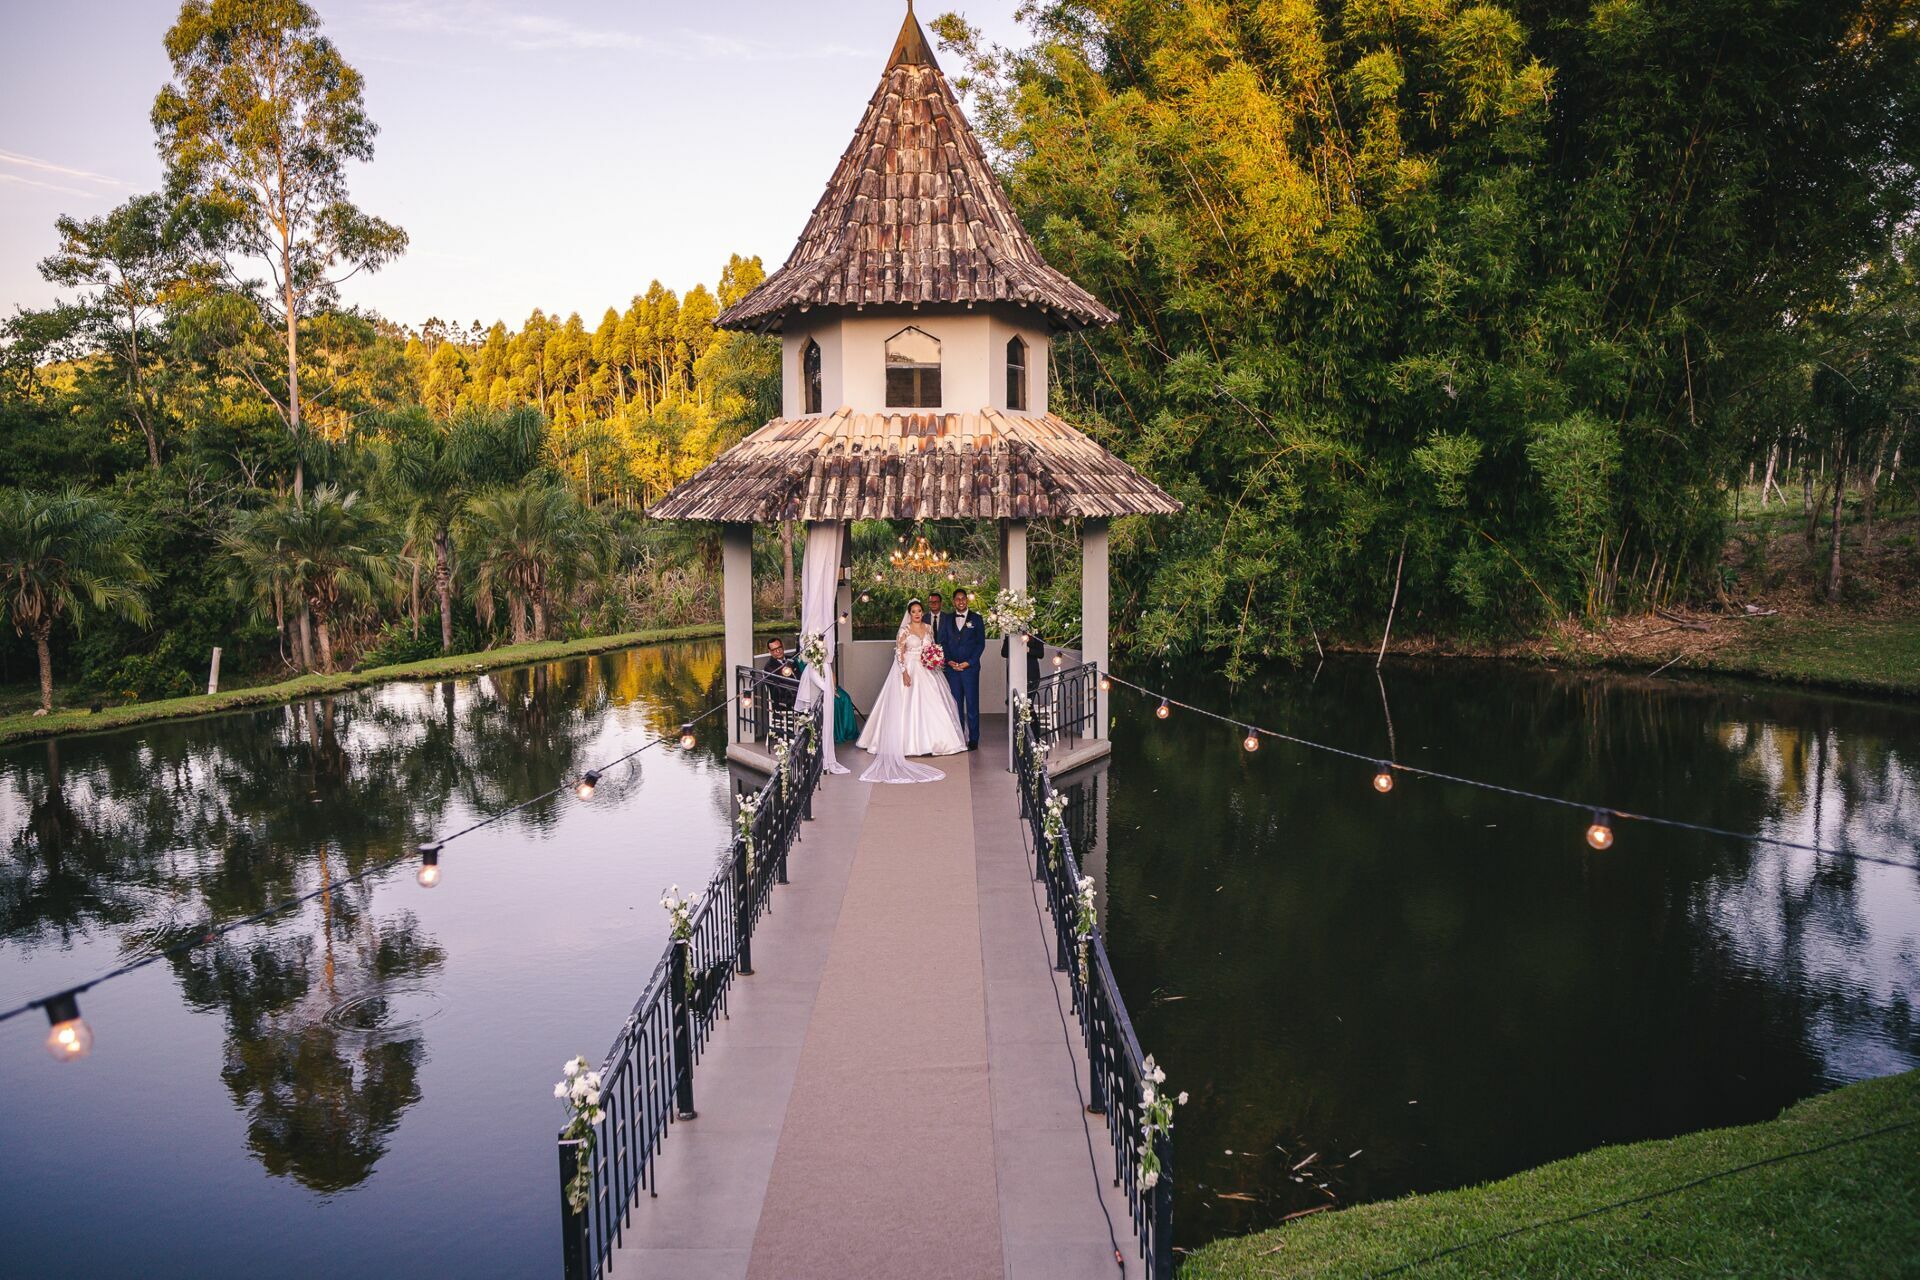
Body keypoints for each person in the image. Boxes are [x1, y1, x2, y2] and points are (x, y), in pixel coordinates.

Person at [856, 600, 966, 782]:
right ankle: (907, 743)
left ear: (923, 612)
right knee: (907, 705)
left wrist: (934, 659)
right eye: (913, 611)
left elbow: (932, 648)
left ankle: (937, 742)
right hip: (909, 669)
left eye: (919, 611)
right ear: (909, 613)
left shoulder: (929, 628)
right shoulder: (904, 630)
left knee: (933, 704)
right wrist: (904, 673)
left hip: (927, 670)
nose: (917, 614)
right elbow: (898, 653)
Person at [938, 588, 985, 749]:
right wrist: (949, 661)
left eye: (963, 598)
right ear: (953, 602)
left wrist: (969, 662)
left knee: (972, 704)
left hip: (970, 669)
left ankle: (973, 739)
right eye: (957, 599)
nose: (961, 601)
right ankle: (958, 737)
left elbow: (980, 644)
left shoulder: (977, 619)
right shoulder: (947, 619)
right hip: (952, 669)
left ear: (967, 600)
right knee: (955, 705)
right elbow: (942, 642)